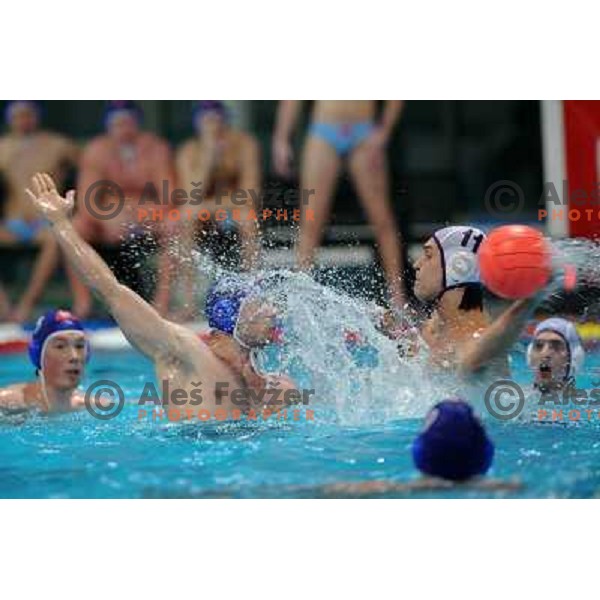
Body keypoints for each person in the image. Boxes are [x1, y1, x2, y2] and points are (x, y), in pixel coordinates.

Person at [24, 173, 297, 419]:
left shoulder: (279, 389)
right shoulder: (182, 352)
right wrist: (60, 223)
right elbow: (110, 292)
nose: (273, 311)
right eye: (261, 305)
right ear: (232, 315)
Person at [272, 100, 406, 310]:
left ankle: (398, 300)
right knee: (311, 222)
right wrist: (281, 138)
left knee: (382, 220)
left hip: (364, 133)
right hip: (324, 131)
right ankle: (300, 297)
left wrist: (383, 132)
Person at [156, 101, 262, 318]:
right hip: (204, 215)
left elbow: (250, 194)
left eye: (216, 119)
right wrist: (208, 154)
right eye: (207, 121)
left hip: (234, 211)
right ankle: (188, 302)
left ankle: (253, 296)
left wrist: (206, 206)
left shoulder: (244, 145)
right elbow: (191, 195)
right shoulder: (189, 151)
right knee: (185, 220)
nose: (213, 125)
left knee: (248, 219)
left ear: (225, 120)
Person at [0, 101, 79, 322]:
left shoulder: (59, 145)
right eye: (17, 115)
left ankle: (26, 304)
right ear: (9, 118)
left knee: (58, 237)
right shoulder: (2, 147)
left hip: (46, 221)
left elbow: (90, 173)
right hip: (13, 222)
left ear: (37, 116)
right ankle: (4, 308)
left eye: (27, 114)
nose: (23, 120)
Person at [0, 309, 88, 413]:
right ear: (38, 354)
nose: (74, 356)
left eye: (79, 346)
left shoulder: (95, 407)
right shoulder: (8, 403)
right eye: (60, 346)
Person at [526, 317, 585, 394]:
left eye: (556, 346)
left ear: (574, 357)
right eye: (539, 345)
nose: (545, 354)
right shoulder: (512, 397)